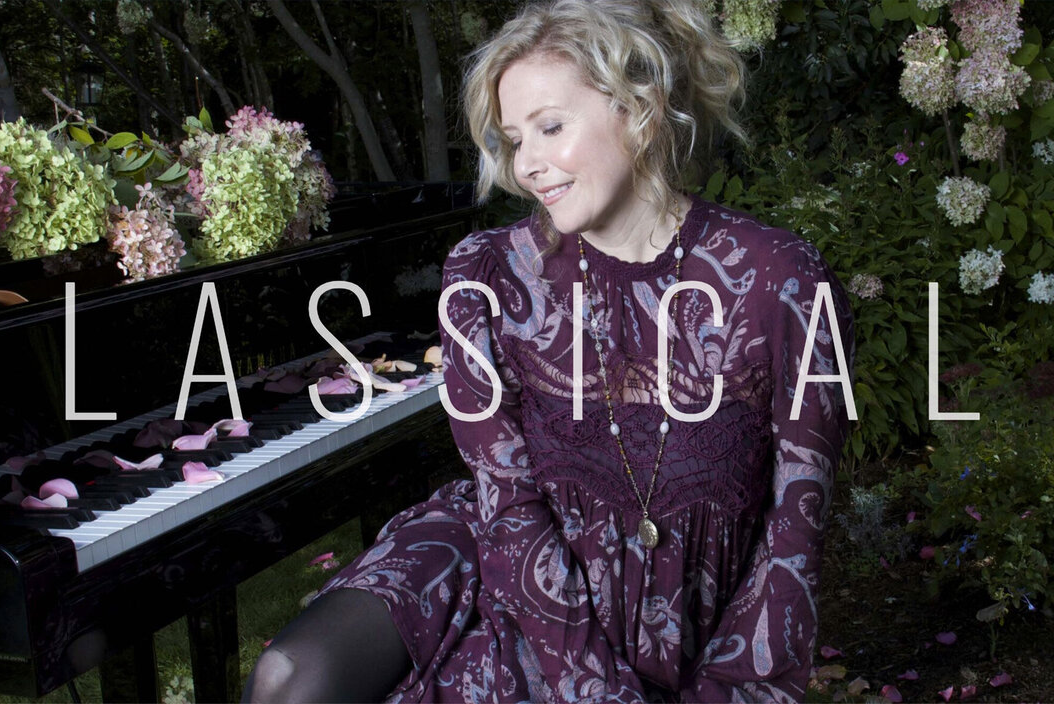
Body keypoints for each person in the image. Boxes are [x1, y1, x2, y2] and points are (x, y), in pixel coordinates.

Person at [245, 0, 854, 701]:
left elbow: (793, 536)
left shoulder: (779, 278)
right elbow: (504, 504)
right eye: (513, 138)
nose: (528, 164)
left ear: (640, 107)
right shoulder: (485, 275)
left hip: (690, 627)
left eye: (551, 127)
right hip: (517, 595)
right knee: (288, 677)